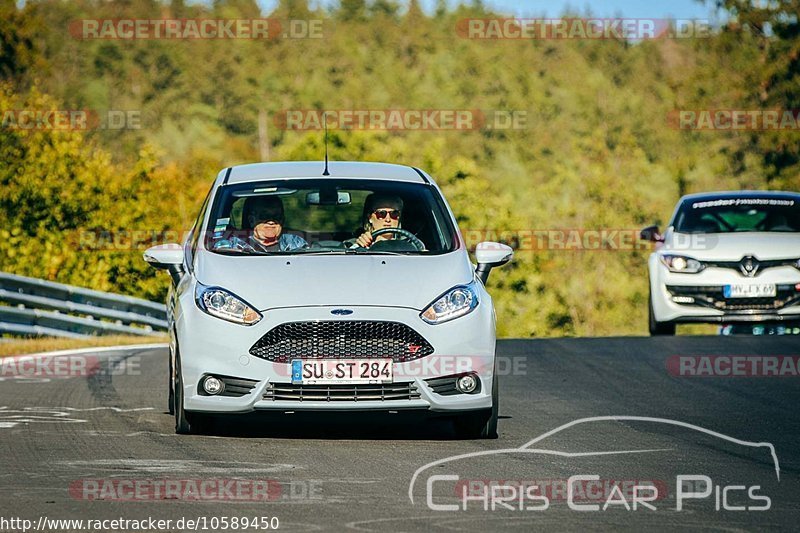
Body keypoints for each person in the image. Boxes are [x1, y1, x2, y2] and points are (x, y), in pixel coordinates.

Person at [213, 196, 307, 252]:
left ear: (283, 219)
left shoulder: (296, 243)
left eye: (276, 216)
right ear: (251, 220)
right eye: (264, 216)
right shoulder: (233, 245)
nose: (271, 221)